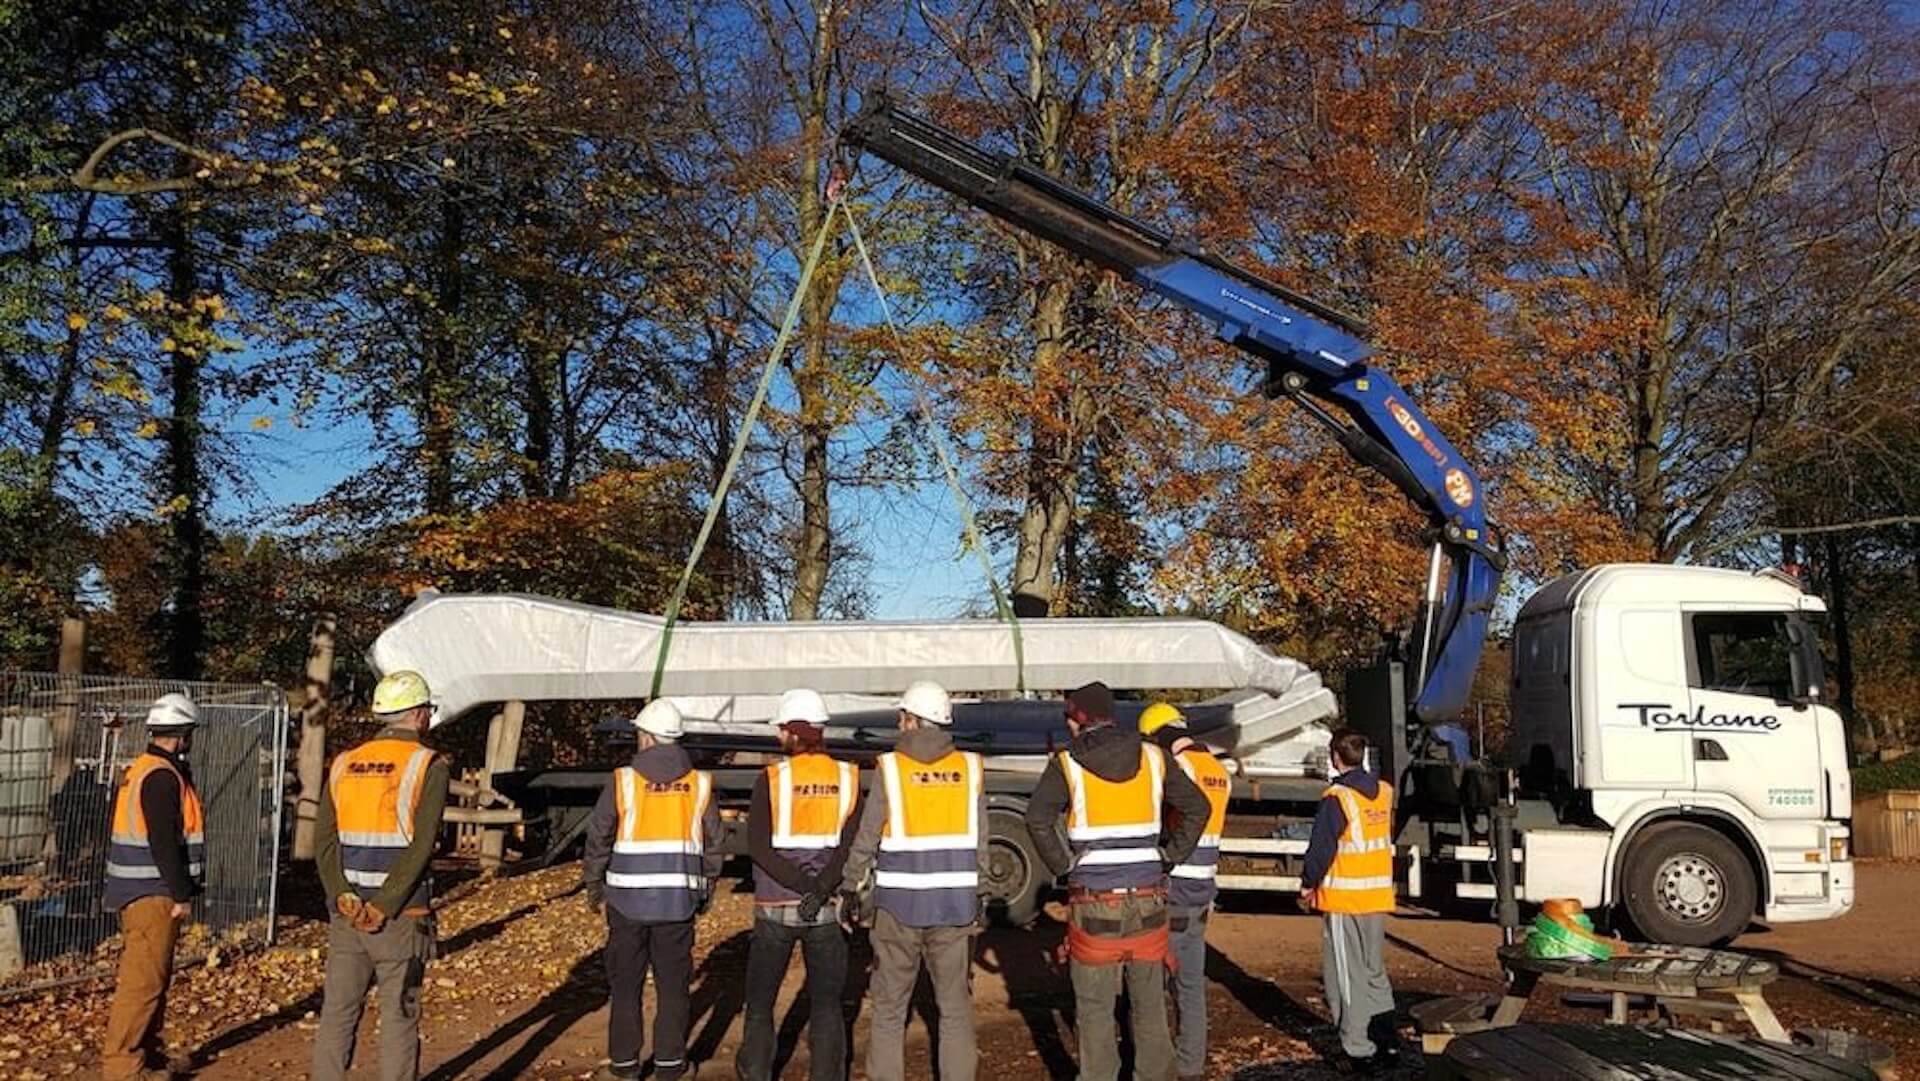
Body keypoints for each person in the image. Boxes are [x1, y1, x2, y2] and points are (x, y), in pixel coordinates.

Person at [1025, 683, 1210, 1081]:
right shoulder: (1154, 756)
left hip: (1094, 903)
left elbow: (1037, 819)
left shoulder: (1066, 763)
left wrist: (1063, 866)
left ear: (1077, 719)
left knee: (1093, 1013)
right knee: (1150, 1008)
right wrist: (1169, 857)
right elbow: (1198, 807)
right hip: (1149, 899)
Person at [838, 679, 984, 1081]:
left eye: (902, 716)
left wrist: (850, 887)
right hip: (954, 907)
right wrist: (982, 892)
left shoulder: (890, 768)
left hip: (898, 908)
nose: (900, 723)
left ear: (914, 720)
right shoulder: (969, 767)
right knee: (954, 1009)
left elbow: (867, 837)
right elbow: (980, 838)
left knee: (889, 1010)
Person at [313, 670, 450, 1081]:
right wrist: (384, 904)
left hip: (347, 913)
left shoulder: (343, 763)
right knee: (398, 1018)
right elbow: (422, 845)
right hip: (401, 916)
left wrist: (342, 894)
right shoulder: (430, 764)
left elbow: (324, 842)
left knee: (337, 1015)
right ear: (420, 715)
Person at [583, 698, 722, 1081]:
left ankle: (624, 1067)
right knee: (673, 988)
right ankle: (671, 1066)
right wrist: (706, 887)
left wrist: (594, 883)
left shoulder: (623, 781)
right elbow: (714, 842)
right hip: (677, 903)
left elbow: (599, 836)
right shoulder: (700, 783)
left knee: (625, 987)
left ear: (645, 738)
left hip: (626, 903)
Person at [736, 688, 860, 1081]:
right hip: (825, 909)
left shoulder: (770, 779)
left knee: (759, 1003)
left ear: (793, 732)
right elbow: (849, 847)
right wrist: (819, 889)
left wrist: (800, 885)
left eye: (780, 730)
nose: (776, 737)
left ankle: (755, 1073)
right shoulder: (848, 777)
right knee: (826, 1006)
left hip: (775, 905)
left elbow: (757, 845)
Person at [101, 693, 205, 1081]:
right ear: (182, 734)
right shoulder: (162, 777)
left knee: (151, 979)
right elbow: (163, 842)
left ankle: (148, 1055)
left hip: (139, 889)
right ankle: (124, 1069)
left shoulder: (145, 769)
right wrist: (181, 893)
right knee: (142, 983)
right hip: (152, 892)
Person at [1138, 702, 1231, 1081]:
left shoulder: (1178, 769)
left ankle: (1158, 1063)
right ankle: (1191, 1064)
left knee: (1154, 979)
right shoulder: (1217, 768)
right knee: (1191, 981)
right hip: (1203, 884)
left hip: (1174, 883)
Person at [1299, 727, 1399, 1074]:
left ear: (1335, 757)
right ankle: (1387, 1041)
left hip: (1345, 898)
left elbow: (1321, 849)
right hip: (1376, 895)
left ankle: (1358, 1049)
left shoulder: (1337, 797)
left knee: (1345, 976)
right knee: (1373, 971)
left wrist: (1307, 884)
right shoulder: (1383, 792)